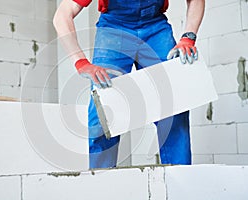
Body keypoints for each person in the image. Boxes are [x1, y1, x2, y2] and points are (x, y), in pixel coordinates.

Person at [53, 0, 205, 169]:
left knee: (174, 108)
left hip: (156, 27)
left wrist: (188, 37)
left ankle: (180, 183)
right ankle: (101, 182)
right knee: (101, 113)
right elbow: (62, 15)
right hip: (114, 29)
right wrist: (80, 62)